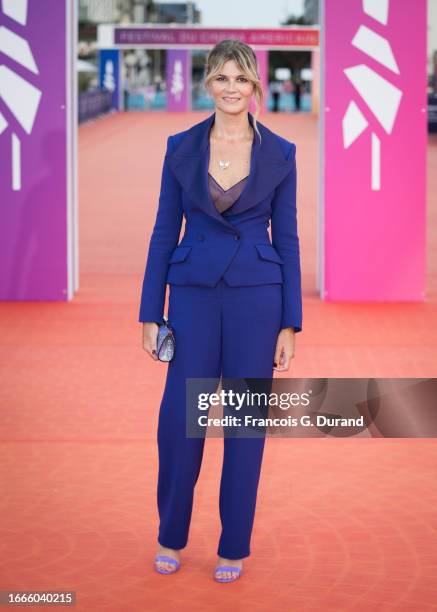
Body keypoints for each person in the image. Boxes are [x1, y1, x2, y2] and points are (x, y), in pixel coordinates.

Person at [138, 38, 303, 583]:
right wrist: (149, 311)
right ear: (207, 84)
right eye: (221, 78)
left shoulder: (281, 153)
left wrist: (289, 321)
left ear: (255, 85)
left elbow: (289, 239)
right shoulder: (180, 147)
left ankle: (234, 545)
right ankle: (171, 534)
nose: (231, 88)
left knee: (244, 425)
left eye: (241, 78)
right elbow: (165, 230)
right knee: (178, 422)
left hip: (258, 297)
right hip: (191, 296)